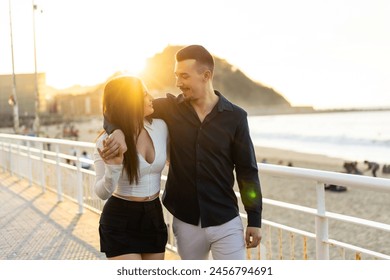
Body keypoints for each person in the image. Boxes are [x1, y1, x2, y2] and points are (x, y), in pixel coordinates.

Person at [102, 45, 262, 260]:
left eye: (184, 76)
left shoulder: (236, 117)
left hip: (225, 219)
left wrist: (254, 219)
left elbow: (247, 171)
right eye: (176, 76)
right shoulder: (169, 109)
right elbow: (119, 107)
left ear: (206, 76)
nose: (178, 83)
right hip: (186, 221)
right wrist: (117, 130)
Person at [93, 76, 169, 260]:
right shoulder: (107, 142)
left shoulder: (161, 127)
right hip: (120, 219)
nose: (151, 97)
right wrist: (114, 168)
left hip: (154, 215)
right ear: (129, 102)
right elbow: (102, 193)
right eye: (144, 94)